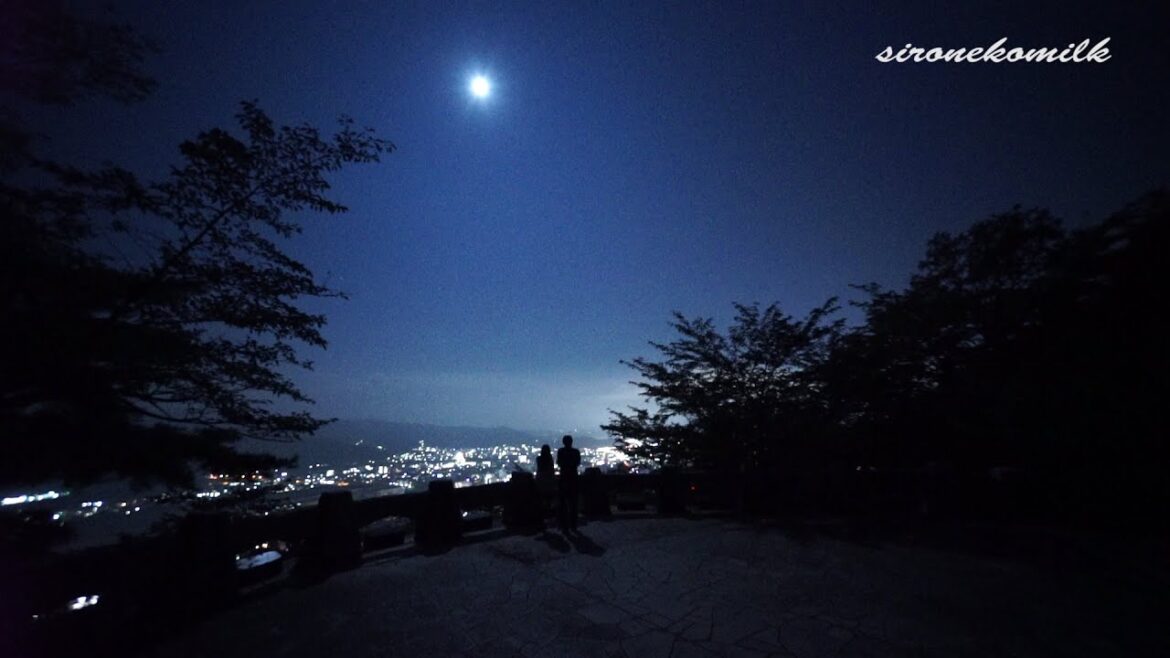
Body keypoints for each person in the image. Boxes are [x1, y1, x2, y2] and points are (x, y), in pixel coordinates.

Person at [556, 434, 581, 531]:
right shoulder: (575, 452)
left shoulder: (561, 451)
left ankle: (564, 524)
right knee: (573, 503)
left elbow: (559, 462)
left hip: (563, 478)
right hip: (573, 478)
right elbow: (577, 463)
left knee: (563, 503)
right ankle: (573, 524)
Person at [535, 444, 556, 512]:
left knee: (541, 499)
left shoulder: (539, 459)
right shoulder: (550, 460)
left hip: (540, 482)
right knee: (548, 500)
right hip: (549, 483)